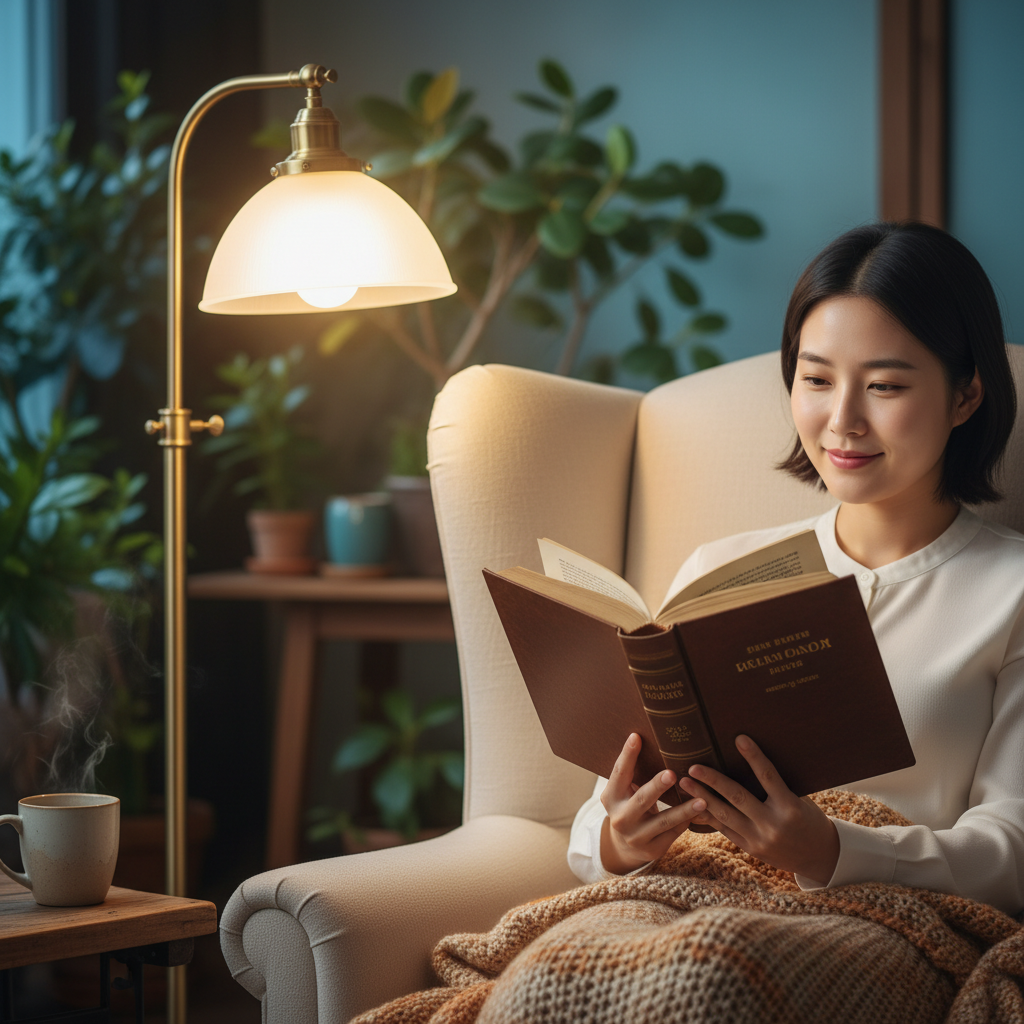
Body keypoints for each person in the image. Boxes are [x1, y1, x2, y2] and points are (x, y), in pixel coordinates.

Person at [568, 221, 1024, 919]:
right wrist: (620, 837)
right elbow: (592, 827)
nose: (842, 421)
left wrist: (831, 852)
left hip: (884, 926)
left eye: (884, 387)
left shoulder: (1011, 589)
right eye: (815, 379)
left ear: (965, 396)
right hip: (683, 901)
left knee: (711, 969)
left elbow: (1012, 850)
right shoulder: (718, 572)